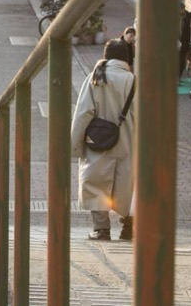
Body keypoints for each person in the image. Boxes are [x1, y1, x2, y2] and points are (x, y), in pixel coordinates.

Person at [70, 38, 136, 241]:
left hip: (98, 140)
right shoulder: (135, 81)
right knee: (128, 183)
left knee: (96, 181)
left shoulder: (96, 78)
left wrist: (75, 145)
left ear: (105, 56)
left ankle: (101, 229)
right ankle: (129, 226)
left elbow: (83, 112)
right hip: (129, 140)